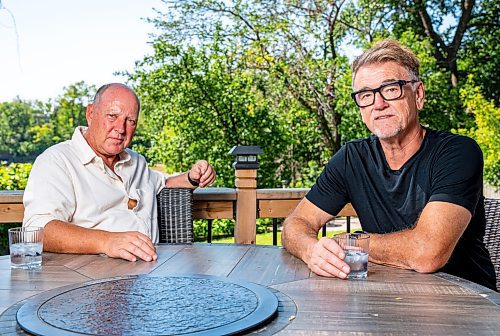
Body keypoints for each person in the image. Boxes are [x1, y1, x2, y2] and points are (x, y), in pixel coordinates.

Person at [281, 39, 497, 291]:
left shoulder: (457, 153)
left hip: (466, 304)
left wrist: (348, 242)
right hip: (387, 296)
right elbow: (295, 225)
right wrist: (311, 250)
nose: (378, 103)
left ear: (418, 95)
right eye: (365, 95)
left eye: (391, 89)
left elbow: (427, 253)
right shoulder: (352, 158)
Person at [23, 83, 216, 263]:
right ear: (91, 113)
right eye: (112, 116)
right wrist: (107, 242)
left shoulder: (137, 162)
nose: (121, 129)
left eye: (130, 121)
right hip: (88, 282)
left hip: (153, 275)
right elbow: (38, 230)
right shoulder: (57, 161)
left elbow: (163, 182)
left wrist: (193, 176)